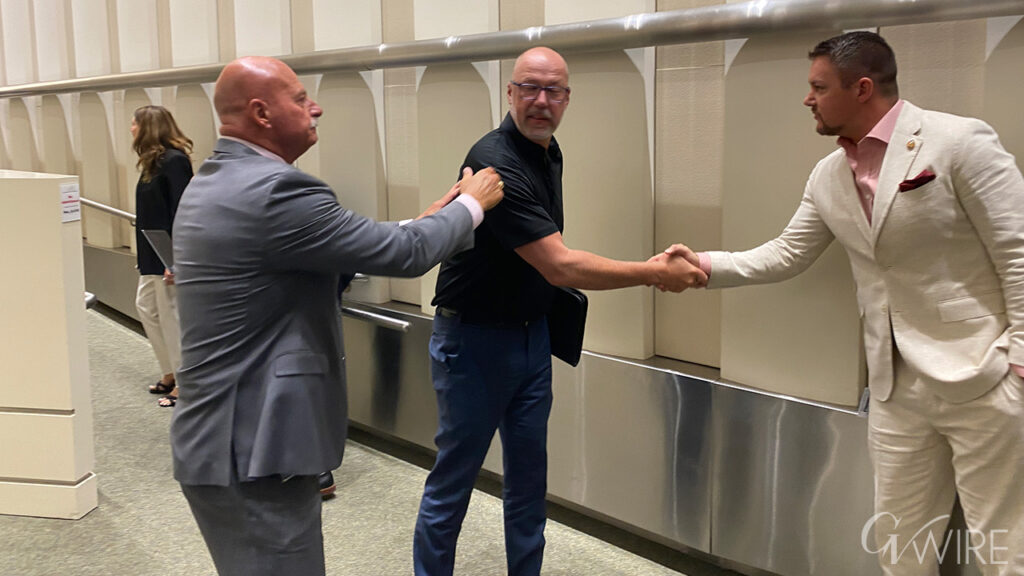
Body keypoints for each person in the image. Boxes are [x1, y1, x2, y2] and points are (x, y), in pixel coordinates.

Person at [662, 31, 1024, 575]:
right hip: (894, 387)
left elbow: (1017, 250)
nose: (807, 99)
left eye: (817, 86)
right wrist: (704, 266)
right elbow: (786, 253)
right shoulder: (829, 174)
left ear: (861, 88)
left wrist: (1018, 362)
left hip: (985, 377)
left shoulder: (958, 142)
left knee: (1005, 548)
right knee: (902, 546)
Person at [169, 55, 504, 576]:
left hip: (225, 441)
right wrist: (473, 206)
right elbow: (405, 256)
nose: (315, 108)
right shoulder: (276, 190)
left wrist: (429, 220)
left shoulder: (217, 179)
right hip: (254, 451)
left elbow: (327, 250)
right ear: (261, 112)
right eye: (301, 99)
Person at [413, 46, 706, 576]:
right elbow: (561, 266)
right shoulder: (495, 160)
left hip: (532, 338)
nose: (541, 101)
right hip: (473, 342)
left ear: (568, 99)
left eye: (553, 91)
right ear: (510, 93)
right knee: (453, 481)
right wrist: (654, 271)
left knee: (528, 481)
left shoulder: (547, 151)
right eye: (529, 87)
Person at [129, 105, 193, 408]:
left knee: (172, 319)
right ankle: (169, 371)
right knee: (147, 309)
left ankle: (184, 383)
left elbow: (183, 211)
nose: (131, 128)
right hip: (151, 251)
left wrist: (176, 259)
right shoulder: (152, 162)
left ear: (149, 126)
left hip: (168, 254)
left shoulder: (175, 162)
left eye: (134, 123)